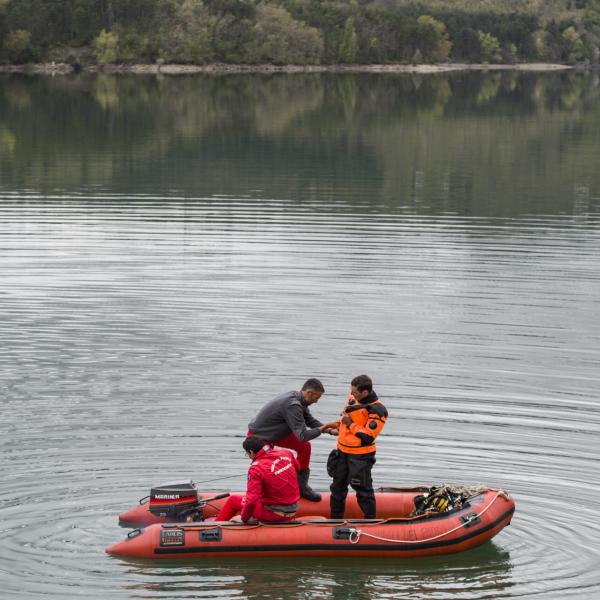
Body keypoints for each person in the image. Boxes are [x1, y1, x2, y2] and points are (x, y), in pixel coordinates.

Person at [248, 378, 339, 501]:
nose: (316, 401)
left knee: (305, 447)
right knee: (267, 466)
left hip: (276, 435)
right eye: (316, 398)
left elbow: (310, 421)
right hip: (259, 437)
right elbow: (302, 436)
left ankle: (301, 487)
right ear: (309, 393)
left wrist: (329, 430)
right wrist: (325, 427)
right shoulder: (293, 405)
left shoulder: (300, 400)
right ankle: (261, 496)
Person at [329, 374, 388, 519]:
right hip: (342, 452)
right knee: (337, 488)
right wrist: (336, 429)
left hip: (360, 456)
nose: (352, 394)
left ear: (365, 392)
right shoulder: (352, 398)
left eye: (355, 392)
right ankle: (334, 520)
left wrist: (350, 424)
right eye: (351, 391)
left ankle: (370, 520)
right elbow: (345, 419)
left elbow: (368, 436)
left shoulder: (377, 410)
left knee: (363, 490)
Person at [215, 435, 301, 523]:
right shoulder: (286, 453)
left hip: (274, 514)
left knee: (233, 500)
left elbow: (251, 501)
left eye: (247, 454)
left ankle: (213, 526)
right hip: (293, 509)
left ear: (251, 452)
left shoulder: (256, 469)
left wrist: (243, 518)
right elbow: (298, 468)